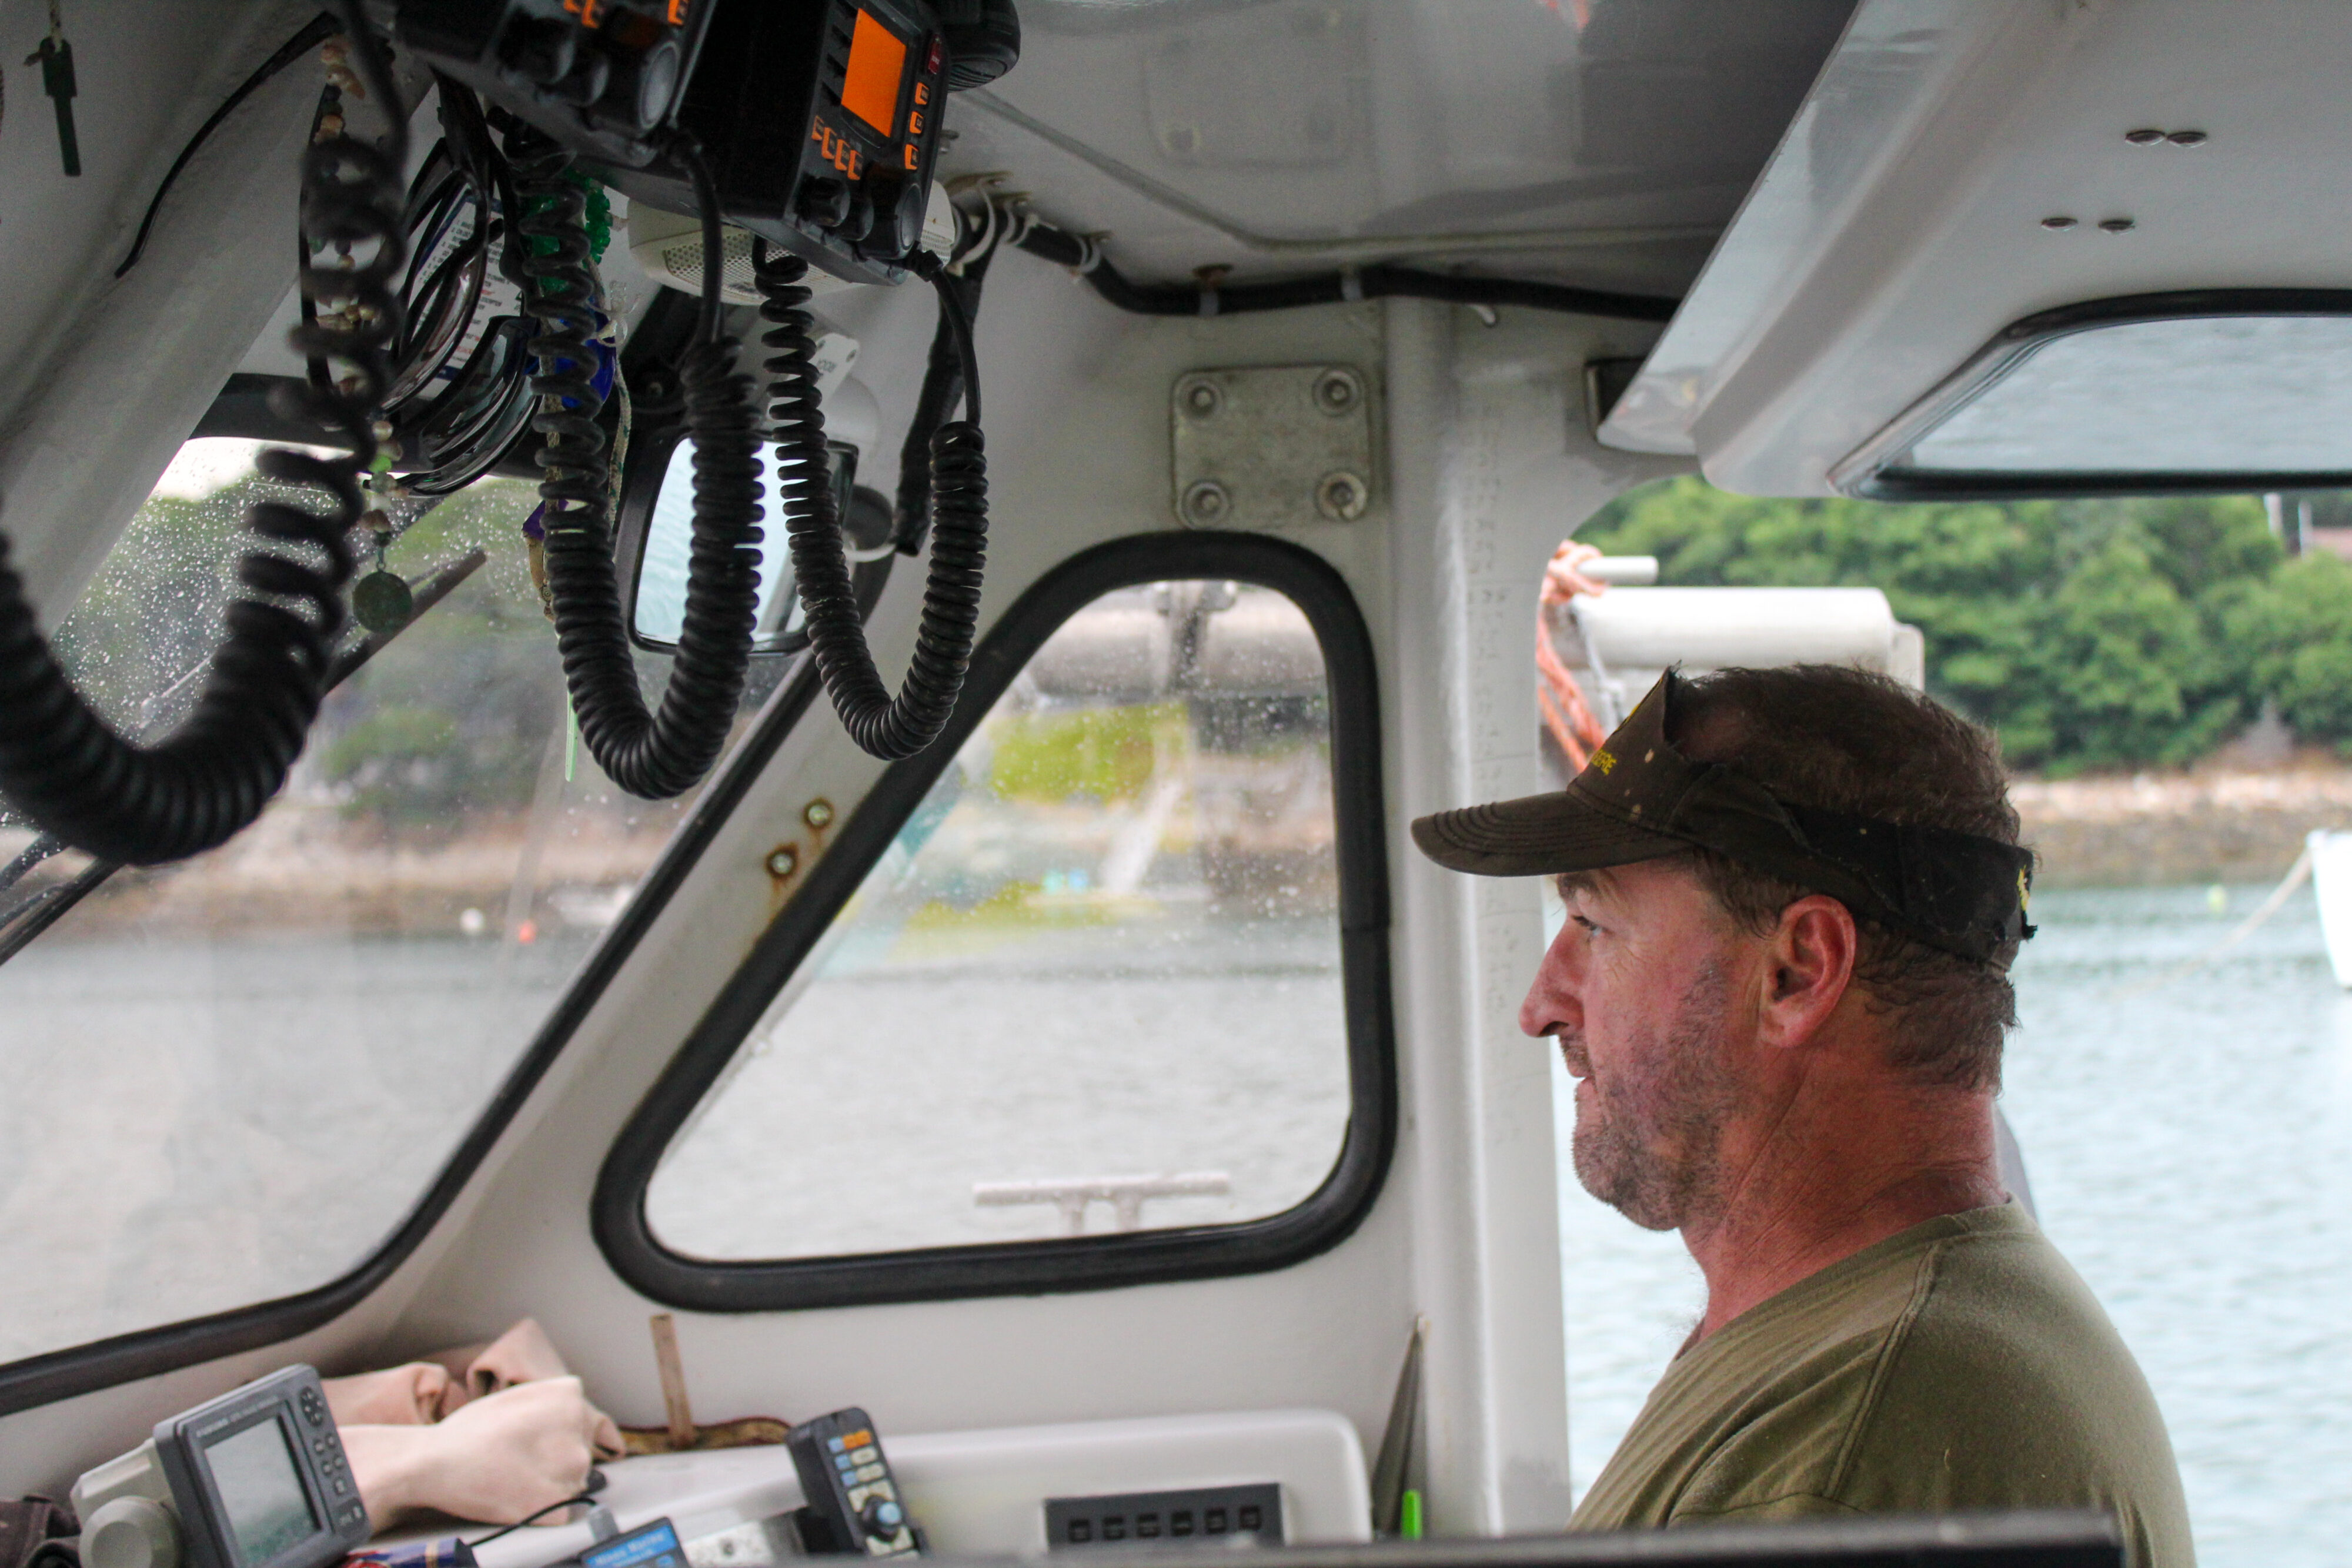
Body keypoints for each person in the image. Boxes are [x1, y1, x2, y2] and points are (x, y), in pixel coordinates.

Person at [1412, 664, 2192, 1567]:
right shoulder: (1844, 1345)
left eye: (1594, 926)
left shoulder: (1850, 1458)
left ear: (1798, 971)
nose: (1542, 1005)